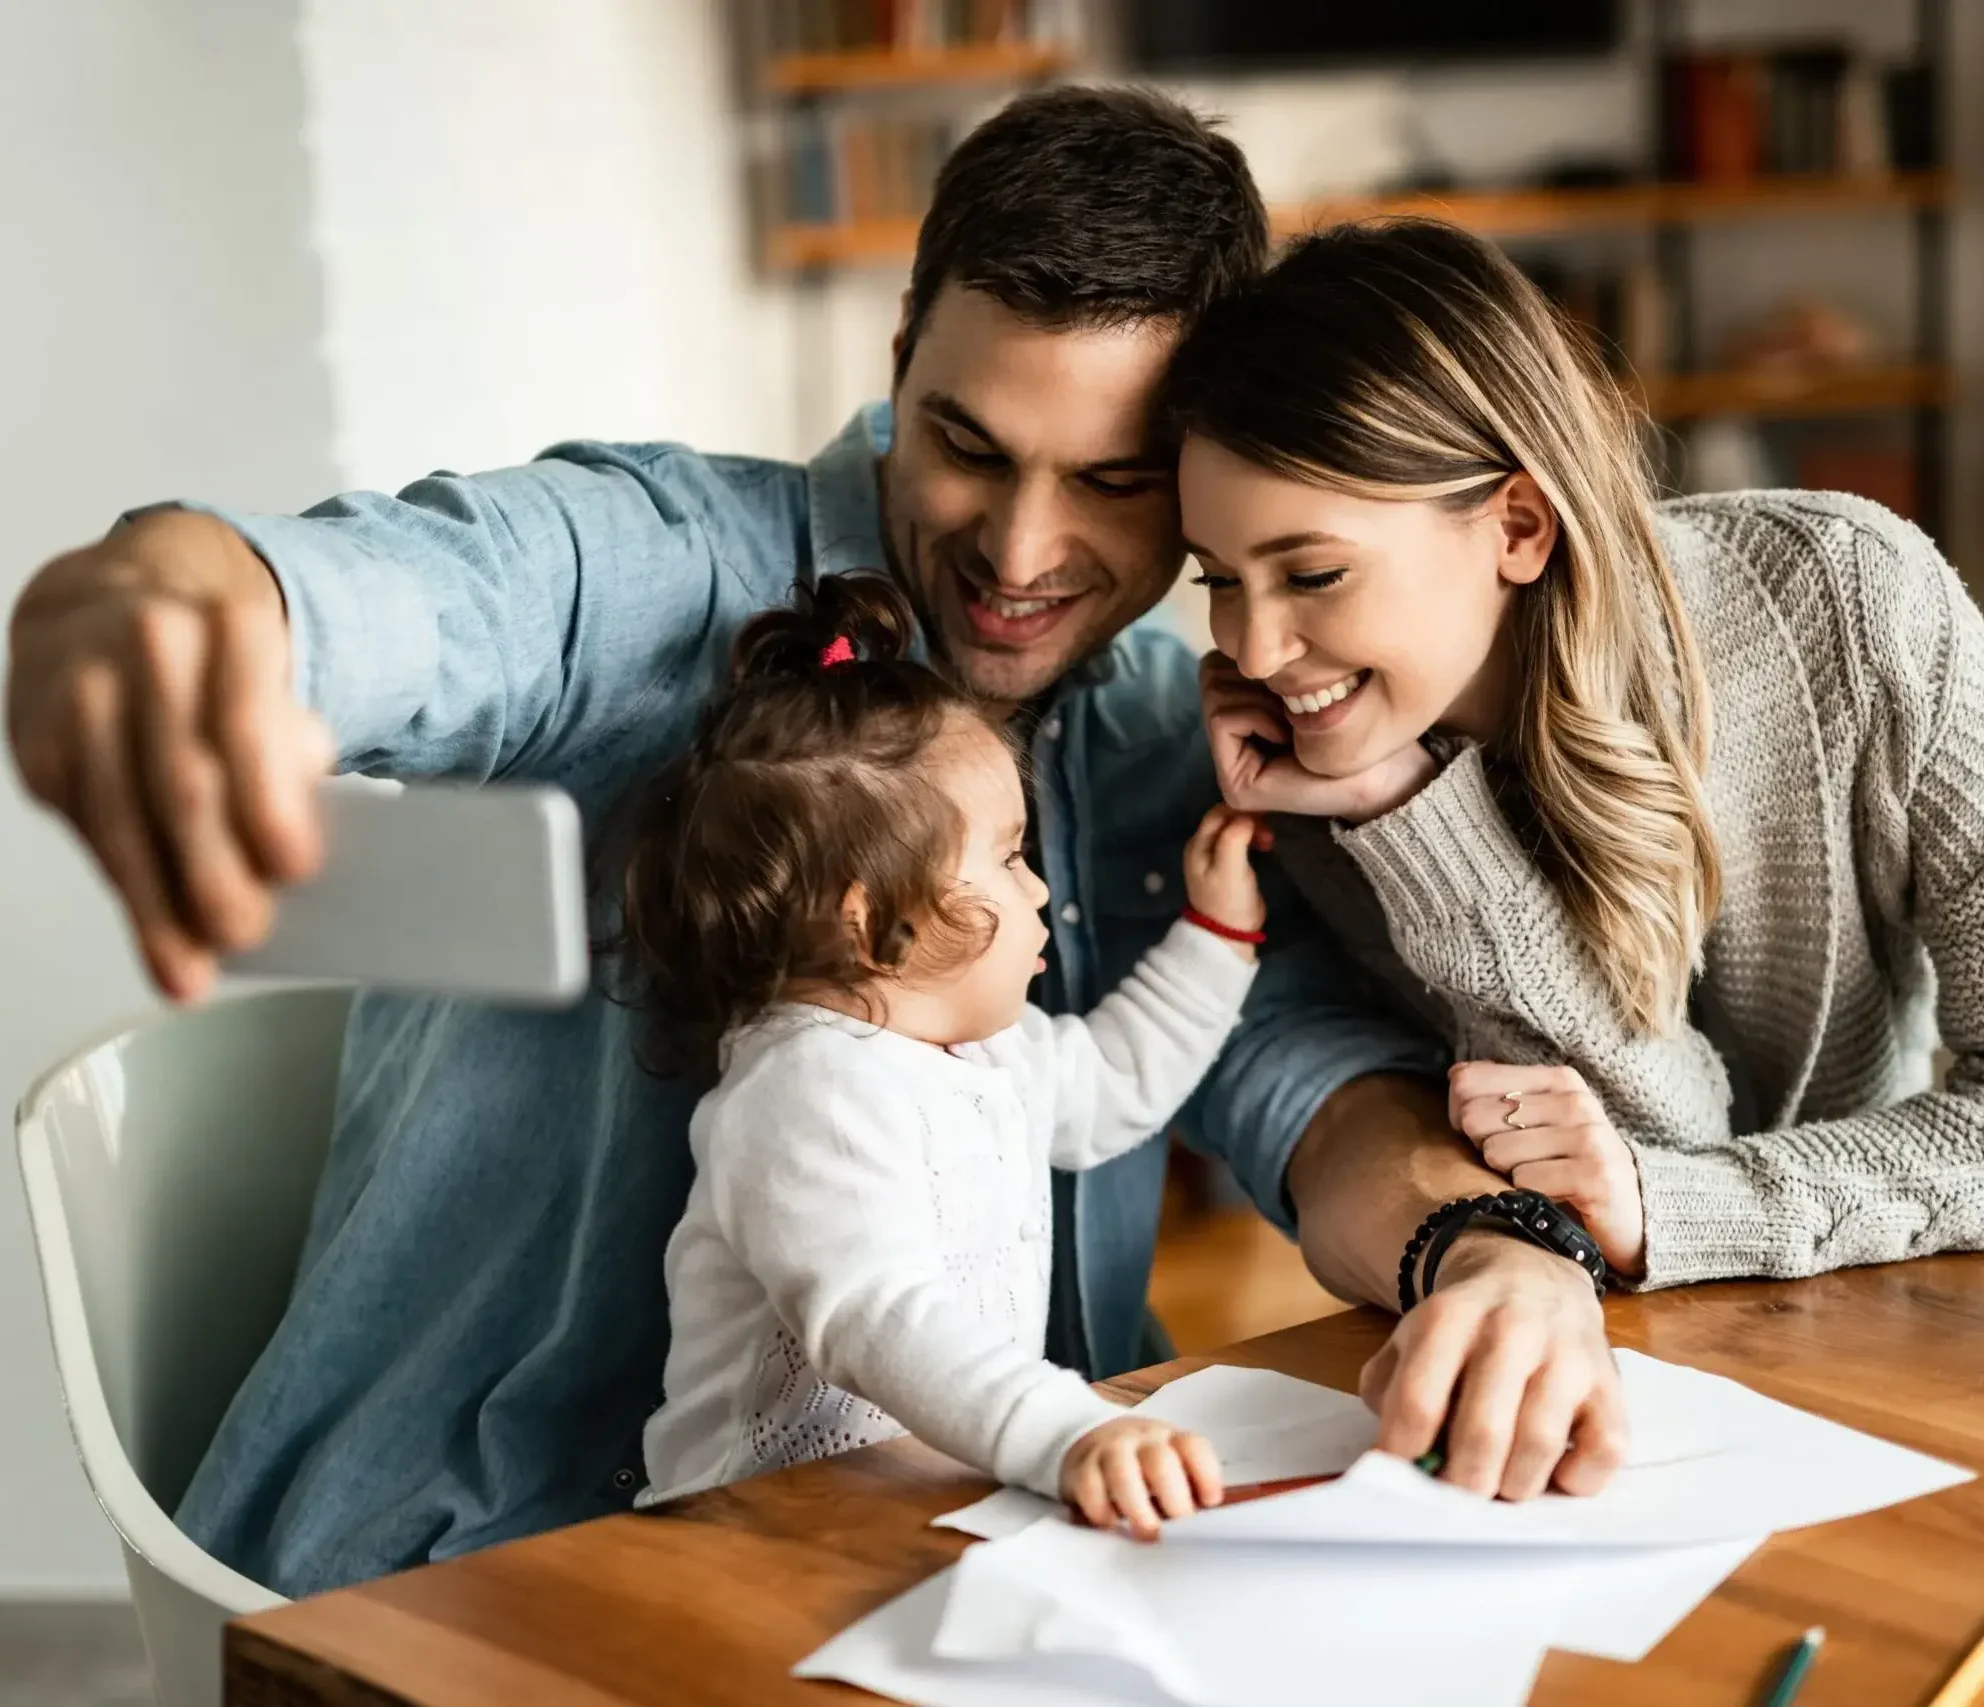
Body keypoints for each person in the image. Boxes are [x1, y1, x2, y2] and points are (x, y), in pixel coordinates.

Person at [5, 94, 1619, 1597]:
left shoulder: (1161, 717)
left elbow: (1283, 1062)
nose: (1017, 551)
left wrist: (1483, 1245)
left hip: (982, 1549)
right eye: (966, 445)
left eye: (1114, 482)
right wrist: (147, 613)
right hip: (486, 1556)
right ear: (901, 349)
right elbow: (358, 595)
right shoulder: (658, 568)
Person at [1172, 217, 1984, 1304]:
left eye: (1311, 574)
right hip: (1652, 1360)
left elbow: (1662, 1192)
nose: (1252, 650)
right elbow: (1617, 1171)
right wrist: (1410, 816)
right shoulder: (1323, 788)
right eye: (1215, 577)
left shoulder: (1852, 603)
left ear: (1516, 526)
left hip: (1894, 1320)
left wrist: (1684, 1210)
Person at [627, 573, 1263, 1539]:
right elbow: (879, 1312)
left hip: (902, 1506)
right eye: (1010, 858)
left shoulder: (981, 1052)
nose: (1041, 891)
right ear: (874, 920)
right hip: (748, 1533)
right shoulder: (807, 1090)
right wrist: (1064, 1431)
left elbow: (1112, 1090)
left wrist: (1216, 934)